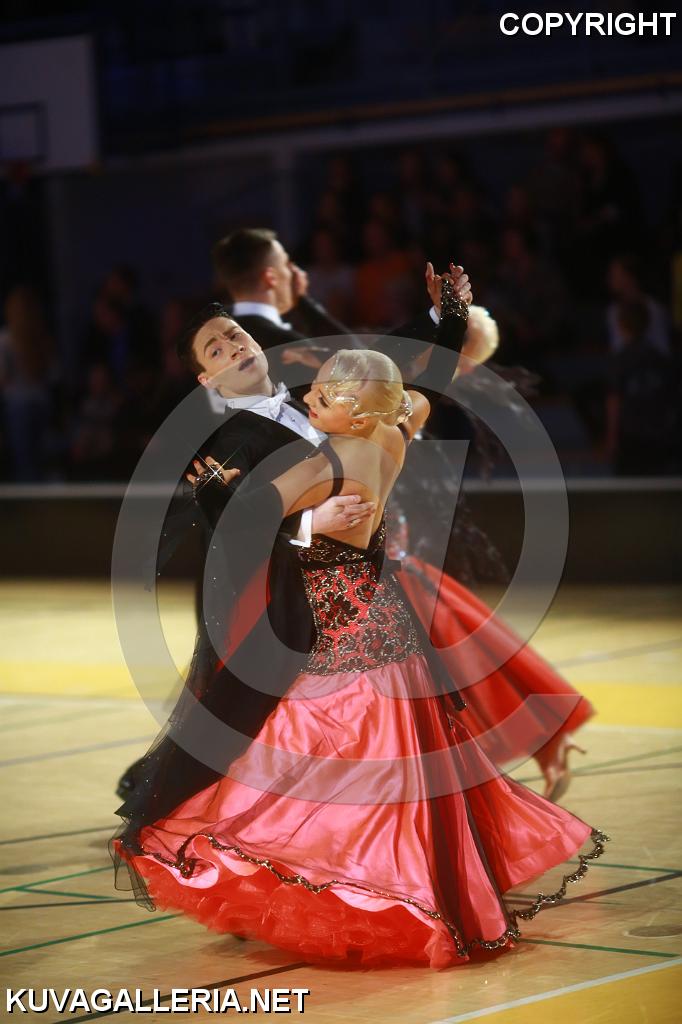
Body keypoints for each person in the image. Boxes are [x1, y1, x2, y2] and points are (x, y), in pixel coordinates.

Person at [110, 342, 608, 970]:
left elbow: (243, 520)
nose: (309, 397)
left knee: (299, 771)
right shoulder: (391, 437)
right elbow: (415, 401)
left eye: (325, 394)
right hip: (392, 637)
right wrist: (382, 390)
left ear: (359, 412)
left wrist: (219, 490)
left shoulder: (326, 463)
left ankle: (353, 886)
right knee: (399, 777)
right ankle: (413, 885)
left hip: (340, 648)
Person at [113, 262, 474, 803]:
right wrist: (308, 524)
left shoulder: (317, 389)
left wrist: (443, 315)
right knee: (269, 724)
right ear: (207, 380)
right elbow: (230, 538)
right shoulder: (226, 446)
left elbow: (379, 361)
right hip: (291, 605)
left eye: (235, 335)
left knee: (348, 729)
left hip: (360, 596)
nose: (234, 347)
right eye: (216, 350)